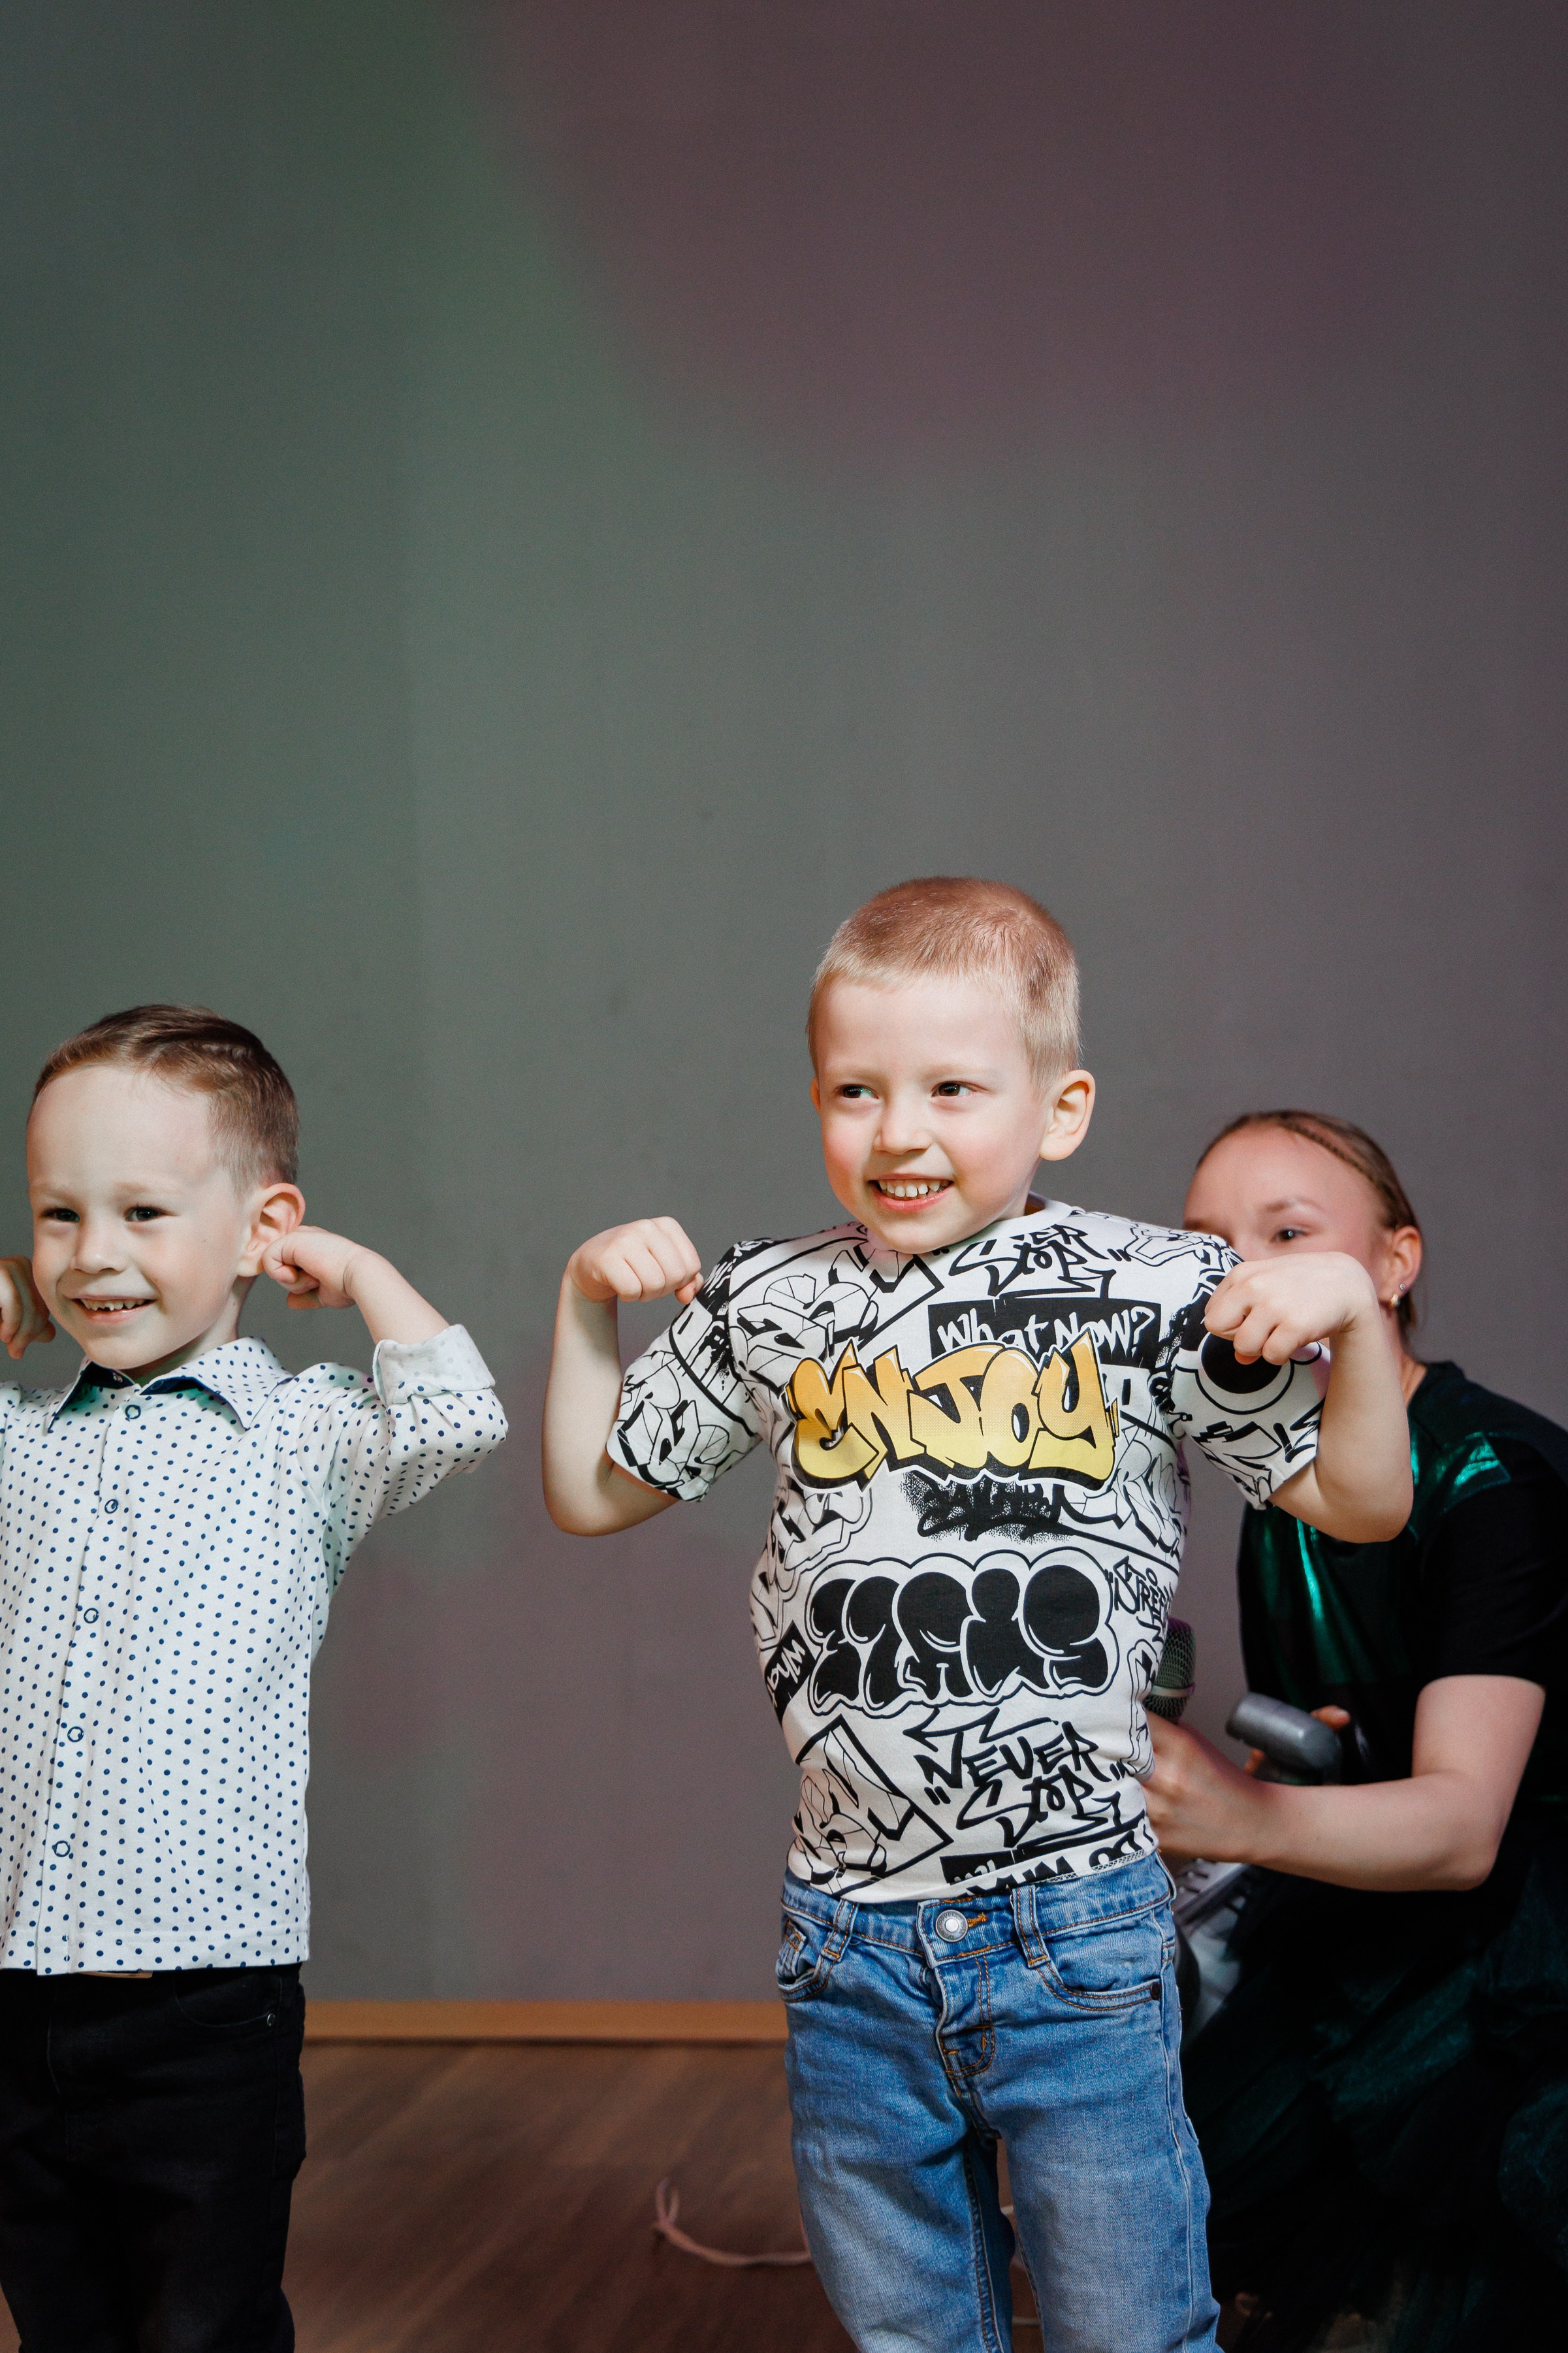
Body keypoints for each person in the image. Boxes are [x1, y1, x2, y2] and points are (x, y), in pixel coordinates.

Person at [542, 879, 1412, 2353]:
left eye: (953, 1087)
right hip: (847, 1933)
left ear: (1058, 1106)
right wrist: (581, 1304)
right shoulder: (767, 1302)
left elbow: (1362, 1501)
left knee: (1129, 2322)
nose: (900, 1132)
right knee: (908, 2328)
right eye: (856, 1089)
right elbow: (589, 1490)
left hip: (1073, 1919)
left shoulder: (1154, 1293)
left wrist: (1359, 1324)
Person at [0, 1004, 507, 2353]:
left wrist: (350, 1269)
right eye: (57, 1215)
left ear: (257, 1227)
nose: (93, 1255)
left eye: (144, 1212)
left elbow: (459, 1413)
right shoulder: (23, 1445)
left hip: (204, 1993)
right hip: (16, 1982)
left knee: (205, 2316)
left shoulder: (302, 1435)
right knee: (60, 2312)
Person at [1145, 1109, 1568, 2352]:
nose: (1243, 1271)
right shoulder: (1284, 1478)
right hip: (1361, 1908)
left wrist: (1238, 1810)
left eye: (1287, 1233)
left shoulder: (1496, 1479)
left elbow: (1460, 1829)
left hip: (1518, 1931)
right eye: (1207, 1244)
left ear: (1392, 1263)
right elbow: (1332, 1725)